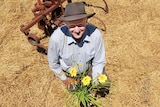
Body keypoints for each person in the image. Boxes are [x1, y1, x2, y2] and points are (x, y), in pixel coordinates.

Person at [47, 2, 106, 89]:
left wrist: (95, 81)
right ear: (65, 24)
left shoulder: (95, 35)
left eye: (80, 25)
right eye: (72, 26)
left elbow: (99, 61)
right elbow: (53, 64)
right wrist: (65, 79)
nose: (77, 30)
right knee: (76, 94)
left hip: (89, 70)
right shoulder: (56, 38)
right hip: (69, 74)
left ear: (86, 21)